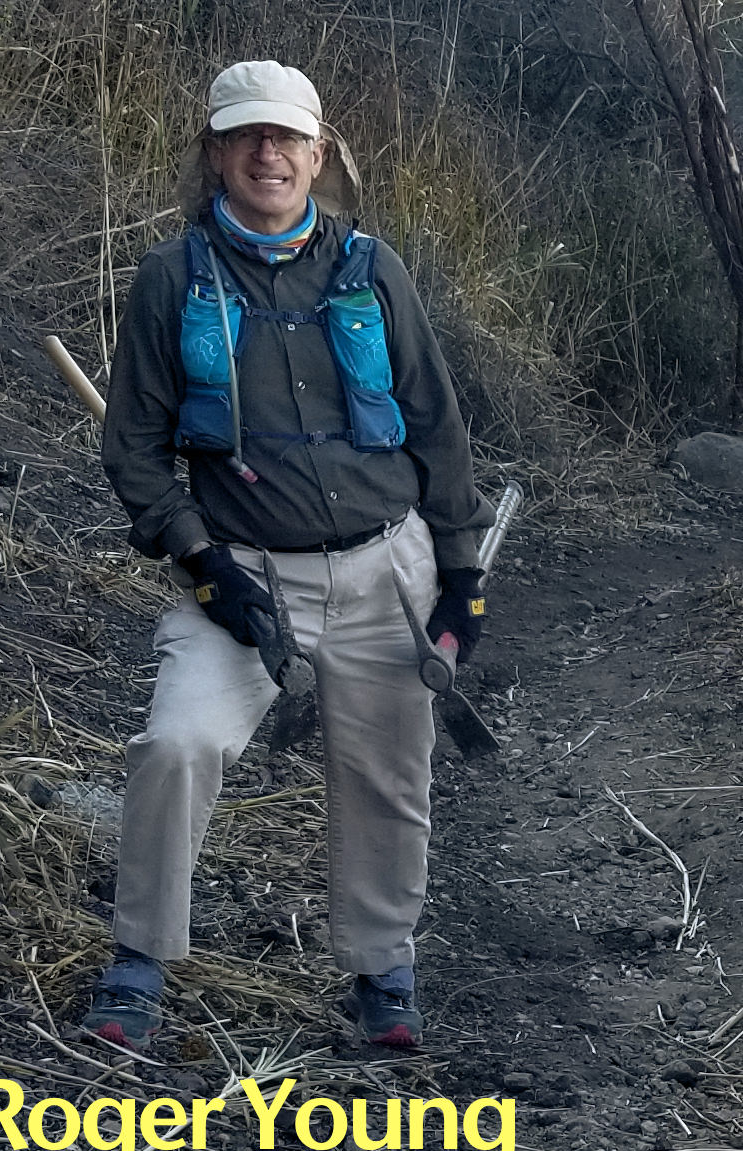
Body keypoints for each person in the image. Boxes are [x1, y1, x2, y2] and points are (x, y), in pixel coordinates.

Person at [85, 59, 491, 1053]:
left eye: (287, 137)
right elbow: (134, 448)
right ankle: (138, 964)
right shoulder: (171, 279)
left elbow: (434, 421)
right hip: (239, 569)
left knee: (390, 774)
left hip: (386, 569)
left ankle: (383, 971)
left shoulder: (373, 269)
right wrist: (199, 561)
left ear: (318, 154)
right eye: (246, 136)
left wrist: (463, 572)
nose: (268, 153)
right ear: (217, 154)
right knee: (179, 743)